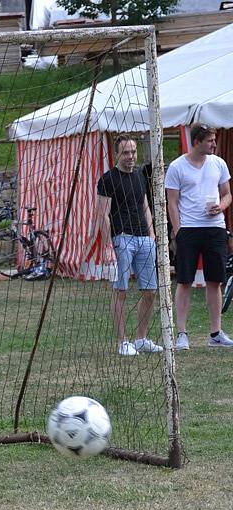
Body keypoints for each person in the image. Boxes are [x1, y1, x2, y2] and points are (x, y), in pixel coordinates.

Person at [92, 135, 163, 357]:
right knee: (120, 290)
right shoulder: (107, 179)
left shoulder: (140, 177)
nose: (131, 156)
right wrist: (107, 247)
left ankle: (140, 339)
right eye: (126, 153)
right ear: (117, 154)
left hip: (144, 239)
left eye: (133, 152)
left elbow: (145, 207)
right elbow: (102, 214)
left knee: (150, 291)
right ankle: (123, 342)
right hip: (122, 239)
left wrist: (151, 235)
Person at [166, 123, 233, 350]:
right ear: (197, 142)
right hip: (189, 230)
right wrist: (179, 232)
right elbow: (172, 203)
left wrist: (220, 207)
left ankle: (215, 334)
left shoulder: (218, 164)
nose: (214, 144)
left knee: (215, 281)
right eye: (210, 140)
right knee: (184, 281)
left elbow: (227, 194)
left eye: (214, 140)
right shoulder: (176, 167)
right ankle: (182, 334)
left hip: (215, 229)